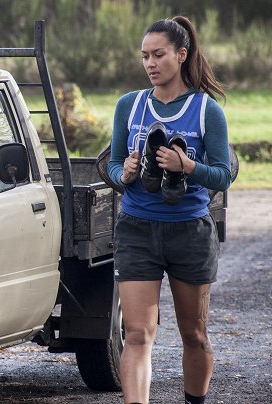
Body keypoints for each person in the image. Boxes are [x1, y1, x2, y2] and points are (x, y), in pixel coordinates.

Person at [107, 16, 231, 404]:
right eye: (145, 56)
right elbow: (110, 166)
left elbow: (224, 175)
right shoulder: (129, 105)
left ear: (181, 54)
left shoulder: (205, 110)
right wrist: (124, 171)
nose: (150, 63)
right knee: (139, 334)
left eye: (158, 55)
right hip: (137, 229)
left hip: (189, 231)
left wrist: (187, 167)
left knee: (193, 335)